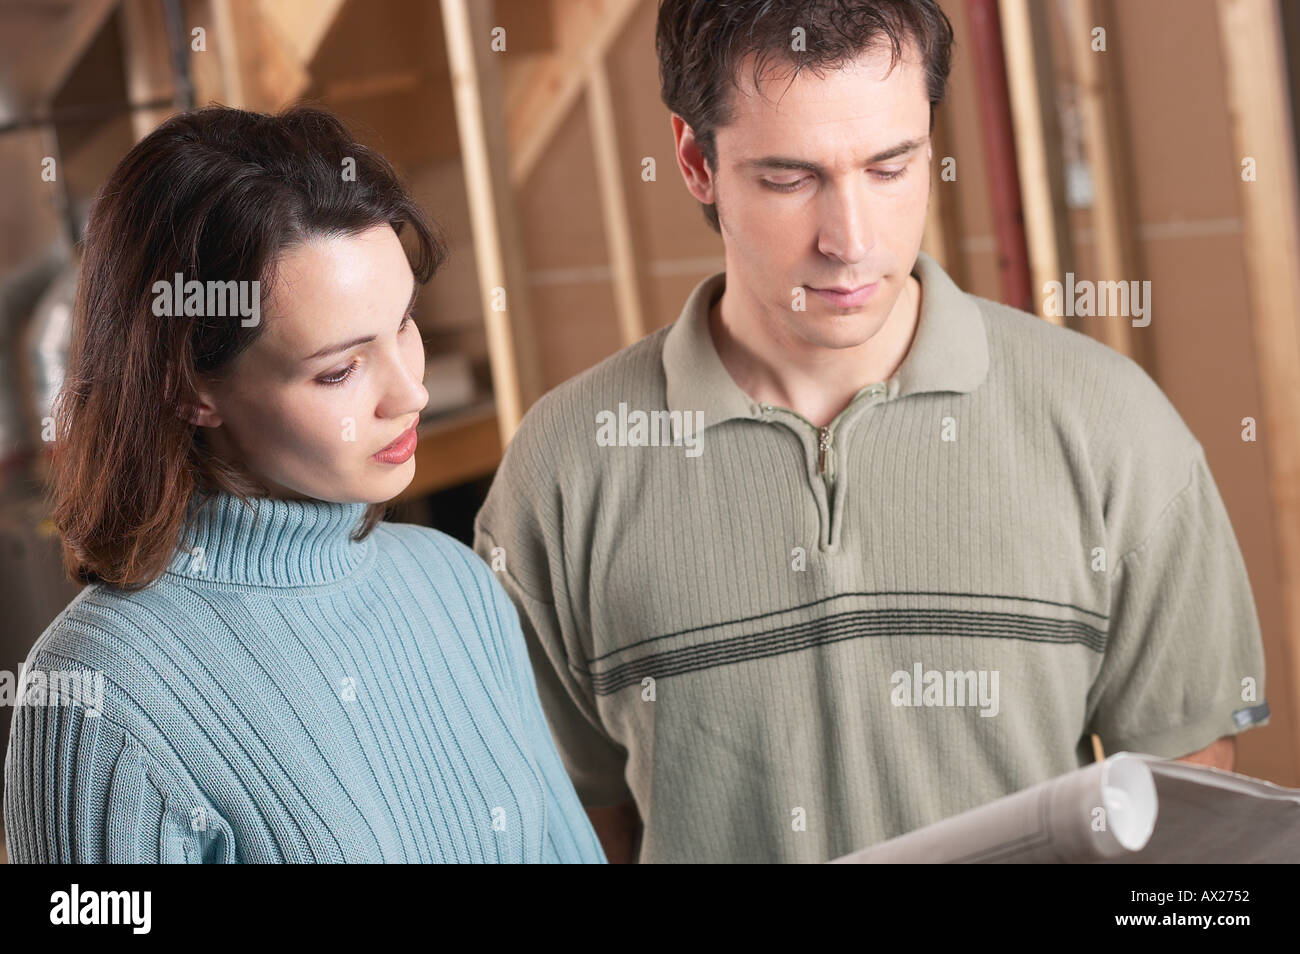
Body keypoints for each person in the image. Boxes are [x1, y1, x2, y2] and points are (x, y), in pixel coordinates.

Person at [473, 0, 1270, 863]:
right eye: (790, 179)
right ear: (696, 161)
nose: (851, 243)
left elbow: (1185, 801)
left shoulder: (1113, 427)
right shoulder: (564, 472)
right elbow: (559, 816)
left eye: (892, 167)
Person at [2, 104, 605, 864]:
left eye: (405, 325)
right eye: (340, 369)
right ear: (190, 388)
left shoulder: (459, 588)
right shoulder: (99, 699)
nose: (410, 393)